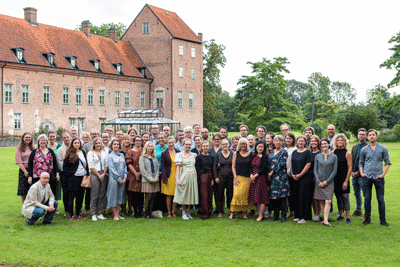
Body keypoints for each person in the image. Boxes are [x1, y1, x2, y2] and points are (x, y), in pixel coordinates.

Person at [359, 129, 391, 227]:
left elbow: (387, 163)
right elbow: (361, 163)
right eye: (370, 135)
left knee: (380, 199)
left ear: (377, 136)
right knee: (367, 199)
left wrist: (382, 175)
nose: (372, 136)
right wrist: (361, 173)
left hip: (379, 177)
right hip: (367, 177)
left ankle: (383, 221)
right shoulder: (364, 149)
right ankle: (367, 220)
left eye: (373, 135)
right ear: (367, 137)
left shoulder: (383, 148)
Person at [63, 138, 89, 220]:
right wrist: (70, 174)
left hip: (82, 177)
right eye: (75, 143)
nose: (77, 144)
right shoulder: (69, 153)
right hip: (73, 177)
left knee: (80, 196)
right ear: (72, 144)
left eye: (78, 143)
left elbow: (86, 164)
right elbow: (65, 167)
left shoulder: (83, 152)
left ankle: (78, 213)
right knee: (71, 196)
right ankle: (72, 214)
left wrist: (87, 173)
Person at [314, 138, 337, 227]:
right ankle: (324, 219)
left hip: (329, 182)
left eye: (325, 144)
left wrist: (327, 182)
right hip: (319, 182)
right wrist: (319, 181)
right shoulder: (317, 157)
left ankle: (326, 220)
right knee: (321, 201)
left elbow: (334, 171)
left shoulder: (334, 157)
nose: (324, 145)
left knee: (328, 200)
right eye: (322, 144)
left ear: (329, 145)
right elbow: (315, 170)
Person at [173, 138, 199, 220]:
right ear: (183, 145)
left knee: (190, 193)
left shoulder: (194, 155)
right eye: (186, 144)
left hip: (192, 175)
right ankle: (183, 212)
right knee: (184, 194)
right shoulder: (180, 155)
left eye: (189, 144)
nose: (188, 146)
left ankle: (188, 212)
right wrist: (178, 179)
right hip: (184, 175)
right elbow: (178, 168)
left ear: (191, 145)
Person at [229, 138, 254, 220]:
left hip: (247, 178)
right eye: (241, 144)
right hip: (238, 177)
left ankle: (245, 213)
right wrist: (235, 177)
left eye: (244, 143)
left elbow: (252, 167)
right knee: (236, 195)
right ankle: (232, 213)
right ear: (239, 145)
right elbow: (233, 166)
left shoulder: (251, 154)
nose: (243, 145)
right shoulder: (236, 153)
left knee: (245, 196)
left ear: (247, 144)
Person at [291, 135, 313, 223]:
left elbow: (308, 164)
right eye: (299, 141)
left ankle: (305, 217)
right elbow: (292, 163)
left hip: (304, 177)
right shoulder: (294, 152)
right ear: (297, 142)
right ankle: (298, 215)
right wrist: (292, 174)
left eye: (302, 141)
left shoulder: (307, 152)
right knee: (296, 196)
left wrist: (300, 174)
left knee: (304, 196)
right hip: (295, 177)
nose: (300, 142)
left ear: (305, 142)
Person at [268, 136, 289, 222]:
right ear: (273, 142)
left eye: (280, 141)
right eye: (276, 141)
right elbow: (269, 163)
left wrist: (271, 172)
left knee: (282, 197)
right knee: (274, 197)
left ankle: (283, 215)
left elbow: (281, 164)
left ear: (282, 142)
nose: (278, 142)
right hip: (273, 178)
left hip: (281, 177)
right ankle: (275, 215)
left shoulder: (284, 152)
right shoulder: (272, 151)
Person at [105, 139, 128, 220]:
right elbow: (112, 169)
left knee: (120, 196)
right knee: (113, 196)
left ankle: (118, 214)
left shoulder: (121, 155)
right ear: (111, 146)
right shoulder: (110, 156)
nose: (116, 146)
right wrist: (119, 179)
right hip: (114, 179)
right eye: (114, 144)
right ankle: (114, 214)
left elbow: (125, 167)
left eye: (117, 144)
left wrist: (125, 177)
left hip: (123, 179)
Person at [333, 134, 352, 224]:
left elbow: (350, 168)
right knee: (338, 198)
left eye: (341, 140)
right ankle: (341, 215)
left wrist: (346, 181)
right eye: (338, 140)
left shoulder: (347, 153)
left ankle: (348, 217)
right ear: (336, 142)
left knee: (345, 197)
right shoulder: (333, 152)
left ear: (345, 142)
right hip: (336, 179)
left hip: (344, 178)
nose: (340, 142)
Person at [248, 141, 270, 222]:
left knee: (262, 197)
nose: (260, 148)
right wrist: (251, 175)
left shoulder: (265, 157)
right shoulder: (253, 155)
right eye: (258, 146)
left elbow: (264, 169)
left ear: (264, 148)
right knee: (256, 196)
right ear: (256, 147)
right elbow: (250, 166)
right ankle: (261, 214)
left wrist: (255, 176)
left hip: (261, 178)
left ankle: (260, 215)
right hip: (253, 179)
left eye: (261, 147)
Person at [87, 137, 108, 221]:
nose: (98, 144)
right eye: (97, 143)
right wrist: (98, 175)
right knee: (94, 194)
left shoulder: (104, 152)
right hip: (95, 174)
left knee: (102, 194)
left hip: (103, 173)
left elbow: (106, 164)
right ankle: (93, 214)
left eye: (100, 143)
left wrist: (103, 174)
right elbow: (91, 166)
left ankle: (100, 213)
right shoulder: (90, 153)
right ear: (94, 144)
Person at [213, 139, 234, 218]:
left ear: (229, 145)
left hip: (230, 178)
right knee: (220, 194)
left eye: (227, 144)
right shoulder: (218, 155)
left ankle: (231, 210)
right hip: (220, 177)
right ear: (221, 146)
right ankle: (220, 211)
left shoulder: (232, 154)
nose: (225, 145)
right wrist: (216, 177)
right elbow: (214, 167)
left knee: (230, 194)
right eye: (223, 144)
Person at [139, 141, 160, 219]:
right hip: (147, 179)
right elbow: (142, 171)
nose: (150, 148)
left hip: (155, 178)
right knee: (148, 197)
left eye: (151, 146)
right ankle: (147, 214)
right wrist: (151, 179)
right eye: (149, 146)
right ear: (146, 147)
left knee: (153, 197)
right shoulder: (142, 157)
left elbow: (157, 168)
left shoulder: (154, 157)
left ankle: (150, 213)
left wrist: (156, 178)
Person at [160, 136, 179, 218]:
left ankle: (173, 211)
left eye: (172, 142)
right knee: (168, 195)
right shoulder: (164, 153)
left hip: (176, 175)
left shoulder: (178, 152)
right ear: (167, 143)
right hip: (168, 176)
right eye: (169, 143)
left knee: (175, 195)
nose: (171, 144)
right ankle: (168, 212)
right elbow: (163, 166)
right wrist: (164, 178)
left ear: (174, 143)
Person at [125, 136, 144, 218]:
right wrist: (136, 173)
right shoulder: (130, 151)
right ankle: (135, 211)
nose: (138, 142)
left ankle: (140, 211)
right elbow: (129, 163)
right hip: (132, 175)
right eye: (136, 140)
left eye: (140, 140)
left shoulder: (144, 151)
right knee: (134, 194)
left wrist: (140, 172)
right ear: (134, 141)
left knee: (141, 194)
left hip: (143, 174)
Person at [351, 128, 368, 218]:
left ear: (366, 136)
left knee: (365, 194)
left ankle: (366, 213)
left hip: (362, 175)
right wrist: (351, 172)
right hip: (354, 175)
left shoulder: (368, 147)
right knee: (356, 193)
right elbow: (351, 161)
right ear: (357, 135)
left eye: (363, 134)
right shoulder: (354, 147)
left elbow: (367, 163)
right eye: (360, 134)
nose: (361, 136)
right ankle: (358, 210)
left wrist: (358, 172)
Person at [195, 141, 214, 220]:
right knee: (203, 195)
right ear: (201, 147)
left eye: (207, 146)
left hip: (210, 176)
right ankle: (204, 213)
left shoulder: (211, 157)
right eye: (204, 146)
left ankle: (209, 211)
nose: (205, 147)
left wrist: (213, 178)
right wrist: (199, 179)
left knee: (210, 194)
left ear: (209, 147)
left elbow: (213, 168)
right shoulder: (198, 157)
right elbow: (197, 169)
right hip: (203, 176)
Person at [16, 132, 34, 204]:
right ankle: (24, 207)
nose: (28, 139)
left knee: (31, 189)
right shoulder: (19, 148)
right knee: (23, 191)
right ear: (23, 138)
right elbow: (18, 161)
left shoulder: (33, 148)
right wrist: (25, 171)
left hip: (32, 170)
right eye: (26, 137)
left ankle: (30, 206)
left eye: (29, 137)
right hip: (23, 170)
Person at [56, 132, 71, 216]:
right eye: (64, 138)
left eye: (67, 137)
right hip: (64, 174)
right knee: (66, 192)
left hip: (74, 173)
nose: (66, 139)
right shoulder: (60, 149)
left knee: (73, 192)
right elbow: (59, 162)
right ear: (62, 139)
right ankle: (67, 210)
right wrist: (66, 171)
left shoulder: (74, 147)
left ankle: (74, 209)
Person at [48, 130, 63, 205]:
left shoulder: (59, 146)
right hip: (48, 170)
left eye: (53, 136)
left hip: (58, 169)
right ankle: (49, 204)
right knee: (49, 188)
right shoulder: (46, 146)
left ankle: (55, 205)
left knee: (57, 188)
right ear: (48, 137)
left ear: (55, 137)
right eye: (50, 136)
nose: (52, 138)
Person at [309, 135, 322, 221]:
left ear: (318, 142)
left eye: (315, 141)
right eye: (312, 141)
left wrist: (316, 177)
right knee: (313, 197)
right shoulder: (308, 152)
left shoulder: (320, 153)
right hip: (309, 176)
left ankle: (318, 213)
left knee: (318, 196)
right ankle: (315, 213)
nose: (313, 143)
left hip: (318, 176)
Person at [285, 132, 297, 219]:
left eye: (290, 138)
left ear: (293, 140)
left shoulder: (295, 149)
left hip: (291, 174)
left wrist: (290, 172)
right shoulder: (283, 149)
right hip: (283, 175)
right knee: (287, 195)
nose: (288, 140)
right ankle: (291, 211)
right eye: (287, 138)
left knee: (293, 194)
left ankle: (295, 211)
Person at [81, 131, 92, 214]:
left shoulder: (91, 146)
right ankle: (80, 208)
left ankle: (87, 208)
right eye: (84, 137)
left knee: (88, 191)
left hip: (88, 170)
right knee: (81, 191)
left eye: (87, 137)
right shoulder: (81, 146)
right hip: (81, 171)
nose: (85, 139)